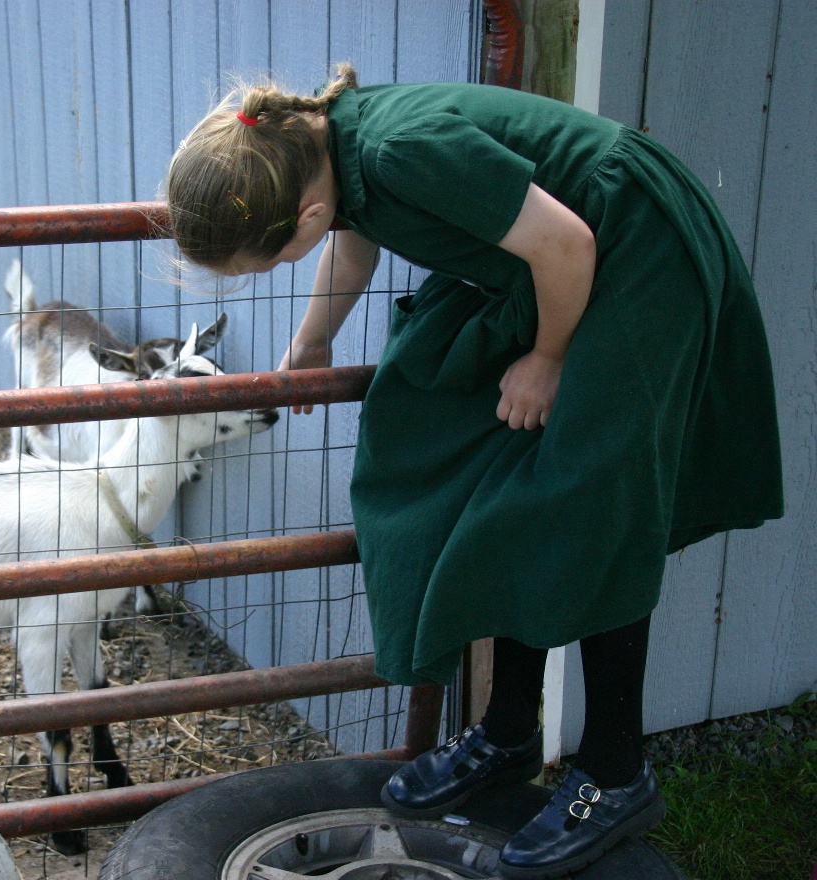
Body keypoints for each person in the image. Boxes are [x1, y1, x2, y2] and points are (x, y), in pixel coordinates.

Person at [163, 64, 783, 879]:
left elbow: (568, 241)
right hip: (557, 263)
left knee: (594, 501)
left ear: (302, 211)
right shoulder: (328, 152)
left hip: (635, 246)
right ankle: (508, 731)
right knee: (495, 475)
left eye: (266, 264)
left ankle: (614, 771)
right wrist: (315, 336)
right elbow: (354, 238)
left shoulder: (398, 150)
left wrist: (548, 358)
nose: (273, 271)